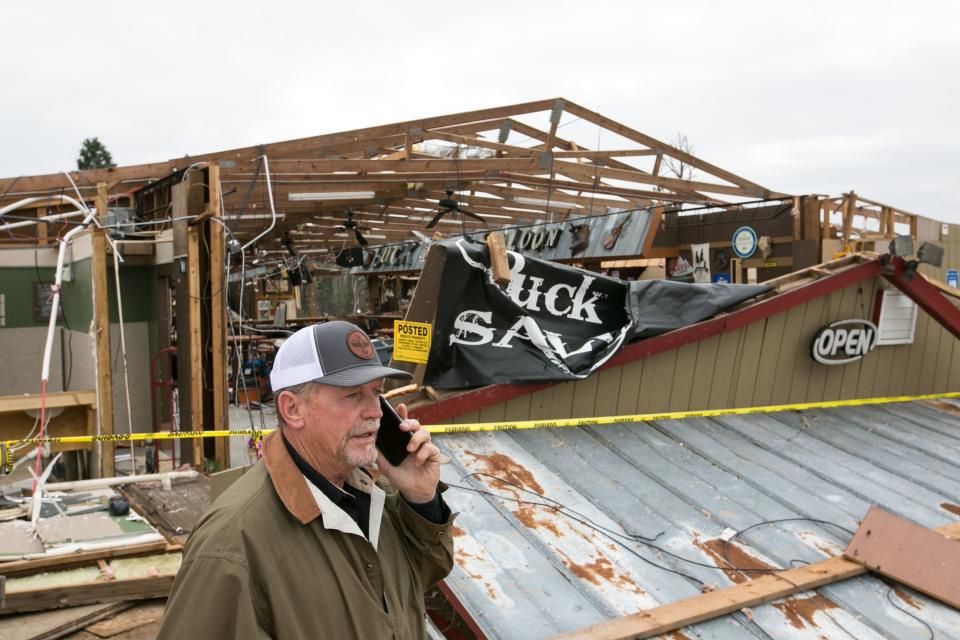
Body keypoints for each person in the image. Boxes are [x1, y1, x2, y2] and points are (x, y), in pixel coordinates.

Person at [158, 321, 455, 639]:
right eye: (353, 395)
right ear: (292, 409)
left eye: (376, 393)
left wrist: (422, 499)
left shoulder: (370, 493)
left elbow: (416, 581)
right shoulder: (231, 546)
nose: (375, 412)